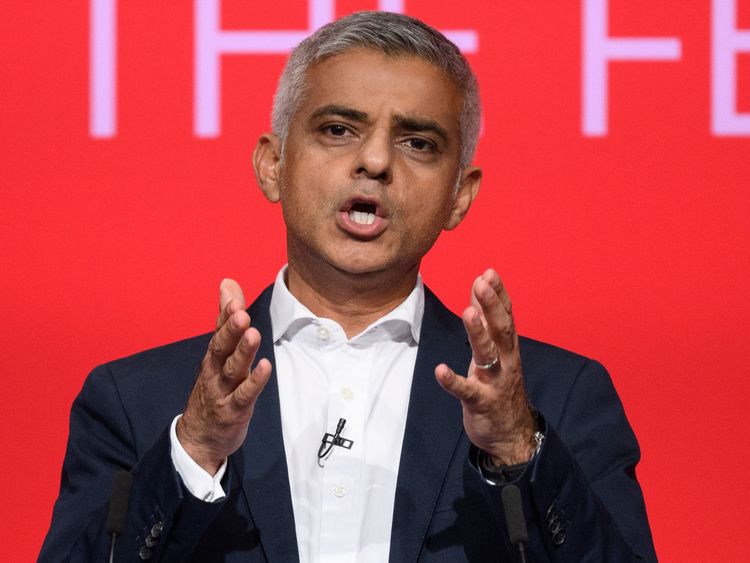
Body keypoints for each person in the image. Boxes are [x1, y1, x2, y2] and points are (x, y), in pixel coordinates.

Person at [40, 11, 656, 562]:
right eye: (338, 129)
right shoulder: (137, 402)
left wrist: (520, 449)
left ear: (459, 196)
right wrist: (195, 448)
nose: (377, 161)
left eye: (418, 143)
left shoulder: (561, 399)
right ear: (273, 164)